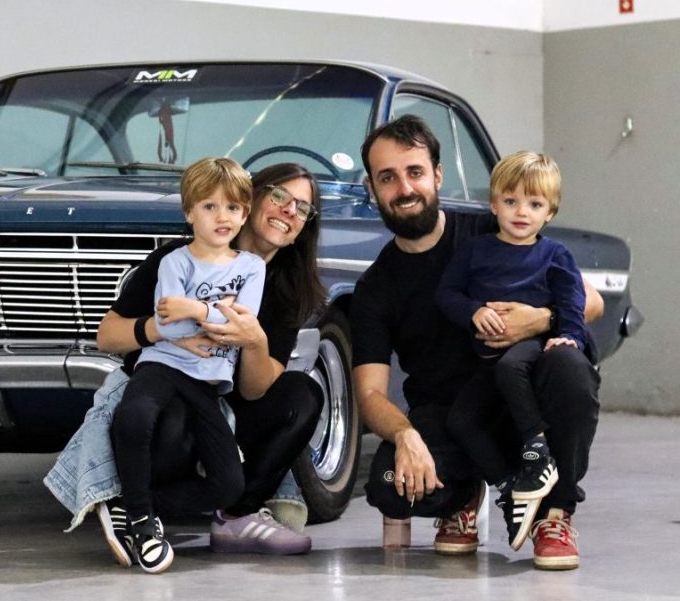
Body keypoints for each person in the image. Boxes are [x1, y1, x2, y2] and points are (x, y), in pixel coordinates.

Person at [351, 115, 602, 571]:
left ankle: (556, 514)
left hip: (523, 398)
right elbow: (369, 393)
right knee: (389, 485)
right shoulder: (375, 287)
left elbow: (593, 302)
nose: (404, 188)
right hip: (452, 416)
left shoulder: (496, 225)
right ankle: (465, 495)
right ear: (372, 188)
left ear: (437, 175)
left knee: (569, 366)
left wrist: (538, 320)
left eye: (414, 172)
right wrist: (405, 435)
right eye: (387, 177)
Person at [44, 161, 326, 567]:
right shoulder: (176, 259)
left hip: (219, 393)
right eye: (280, 196)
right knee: (162, 410)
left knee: (303, 393)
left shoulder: (284, 286)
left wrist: (255, 341)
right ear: (254, 196)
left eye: (302, 208)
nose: (289, 211)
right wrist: (161, 331)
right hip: (165, 386)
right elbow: (107, 335)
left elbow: (255, 390)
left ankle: (234, 515)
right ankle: (134, 506)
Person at [108, 156, 264, 574]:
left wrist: (193, 308)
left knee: (229, 485)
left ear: (245, 213)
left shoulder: (252, 267)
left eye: (232, 207)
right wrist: (214, 315)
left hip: (207, 380)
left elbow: (242, 324)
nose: (222, 216)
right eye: (209, 206)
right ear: (189, 212)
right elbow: (166, 325)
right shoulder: (174, 261)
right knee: (134, 416)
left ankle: (132, 506)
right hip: (161, 366)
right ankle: (143, 525)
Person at [435, 151, 589, 551]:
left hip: (530, 350)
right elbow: (447, 294)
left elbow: (572, 300)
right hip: (488, 360)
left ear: (549, 212)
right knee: (461, 420)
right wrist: (474, 311)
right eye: (510, 201)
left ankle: (537, 452)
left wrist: (568, 334)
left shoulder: (555, 254)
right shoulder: (475, 250)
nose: (521, 212)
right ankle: (510, 487)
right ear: (493, 204)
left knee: (511, 367)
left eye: (535, 204)